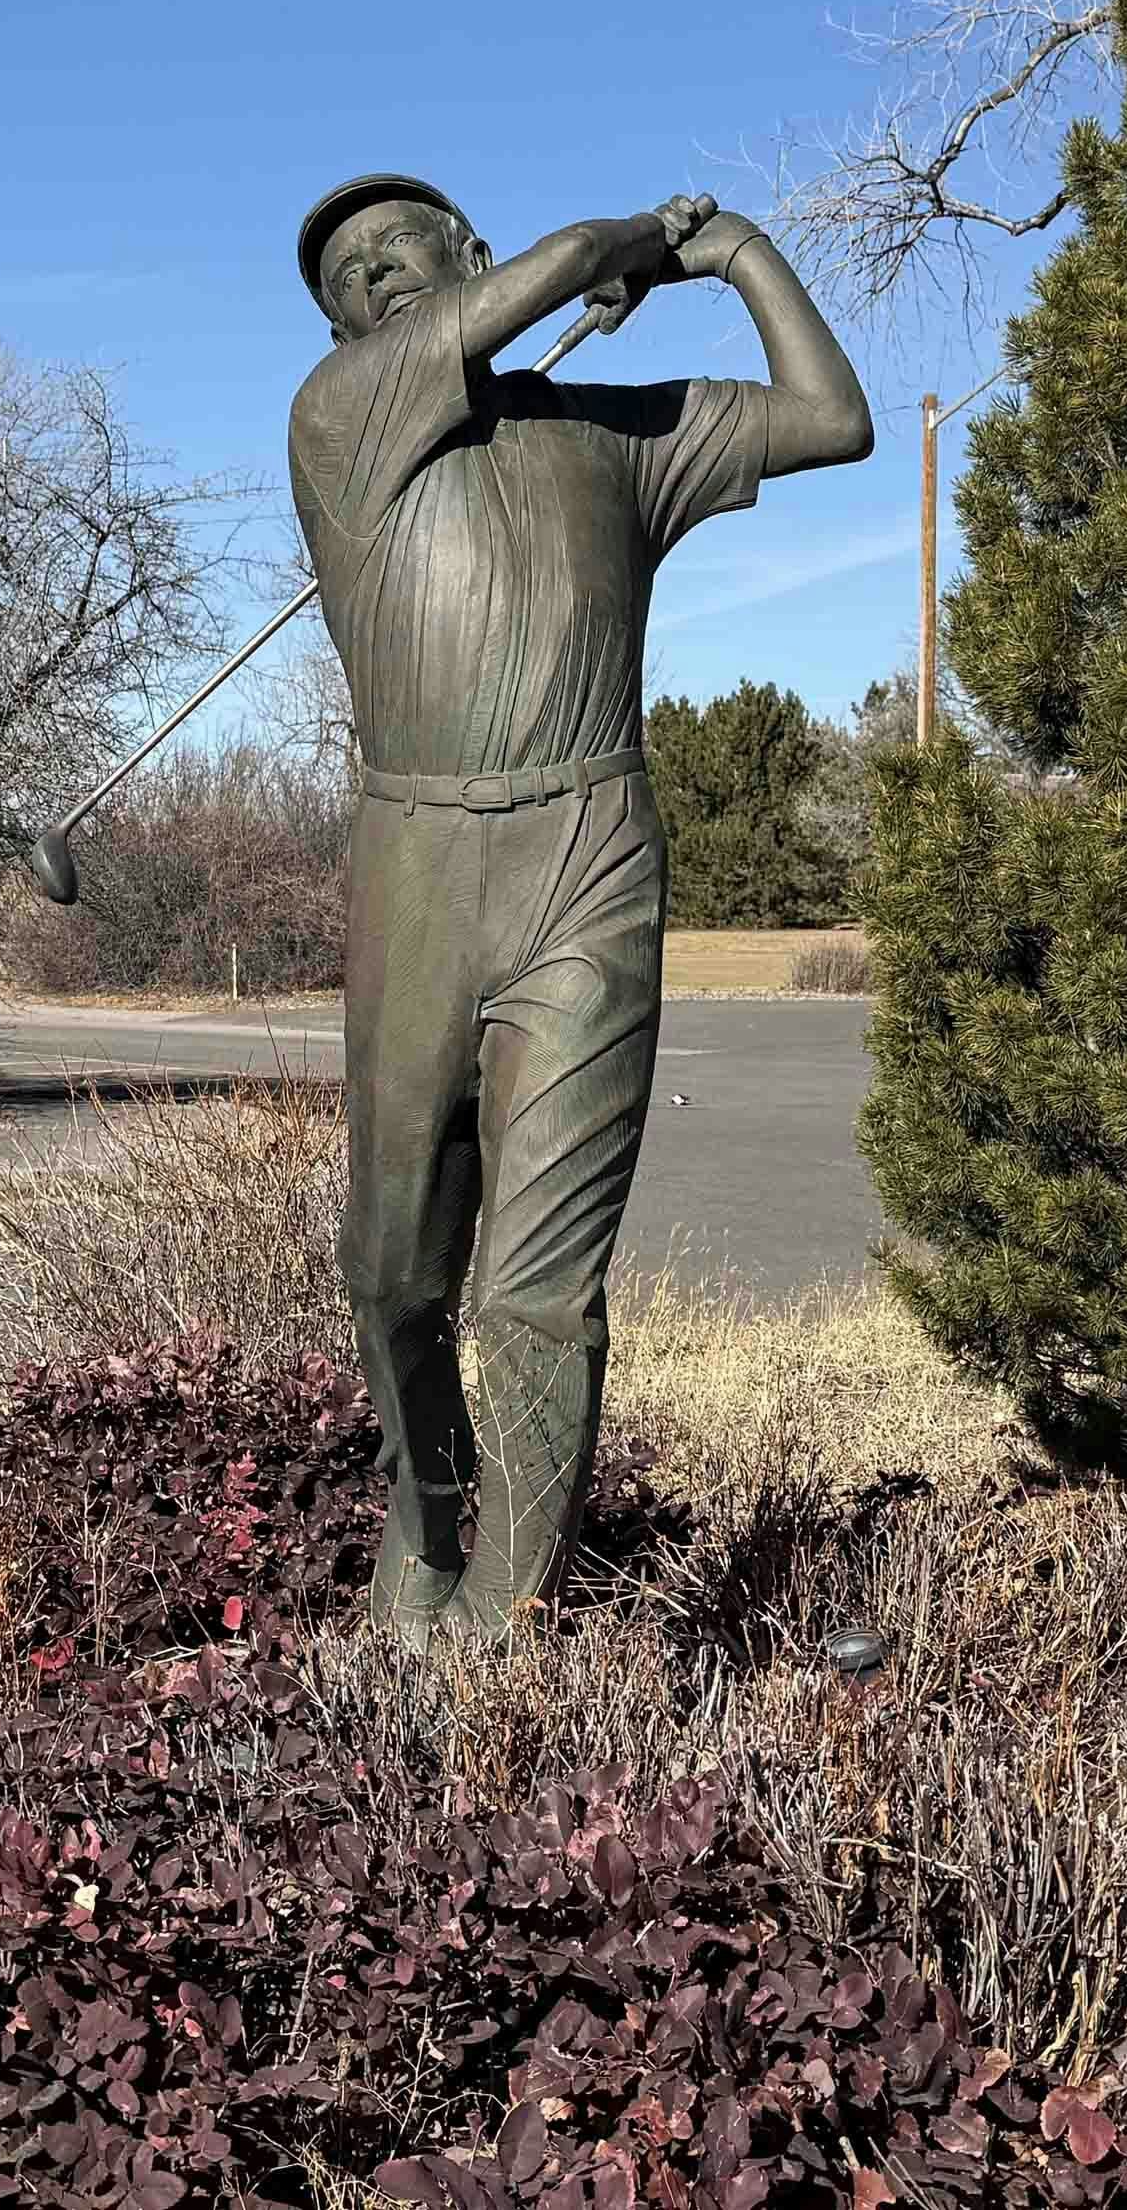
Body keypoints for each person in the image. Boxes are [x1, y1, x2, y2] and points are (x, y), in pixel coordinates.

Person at [287, 174, 873, 1635]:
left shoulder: (612, 439)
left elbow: (831, 416)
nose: (373, 285)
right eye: (345, 282)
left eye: (395, 251)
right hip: (416, 869)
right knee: (394, 1274)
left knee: (538, 1289)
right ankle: (420, 1542)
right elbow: (552, 267)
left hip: (588, 859)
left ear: (461, 251)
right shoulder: (345, 421)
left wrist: (735, 255)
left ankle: (506, 1619)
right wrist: (618, 250)